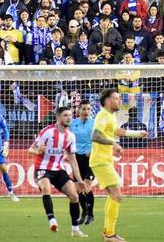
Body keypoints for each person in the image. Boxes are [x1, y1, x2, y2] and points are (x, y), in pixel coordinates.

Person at [91, 89, 147, 242]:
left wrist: (136, 133)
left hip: (105, 160)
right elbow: (95, 135)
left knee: (113, 195)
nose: (120, 101)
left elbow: (116, 131)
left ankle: (107, 233)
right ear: (108, 101)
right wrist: (113, 143)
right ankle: (109, 235)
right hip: (100, 160)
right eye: (116, 98)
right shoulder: (103, 115)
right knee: (117, 195)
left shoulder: (111, 116)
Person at [28, 106, 89, 238]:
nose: (69, 118)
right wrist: (38, 151)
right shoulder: (47, 132)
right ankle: (52, 220)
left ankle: (75, 229)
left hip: (58, 170)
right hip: (42, 167)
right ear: (58, 117)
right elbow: (31, 149)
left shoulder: (70, 136)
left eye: (70, 115)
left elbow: (73, 160)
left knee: (74, 196)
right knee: (46, 188)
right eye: (65, 115)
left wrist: (79, 180)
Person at [70, 99, 96, 225]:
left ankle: (90, 214)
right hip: (76, 159)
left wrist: (93, 150)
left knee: (86, 186)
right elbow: (67, 138)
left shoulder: (95, 123)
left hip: (91, 158)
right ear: (79, 110)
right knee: (79, 188)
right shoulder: (73, 123)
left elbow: (100, 139)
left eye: (88, 109)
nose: (86, 111)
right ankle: (84, 211)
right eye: (84, 109)